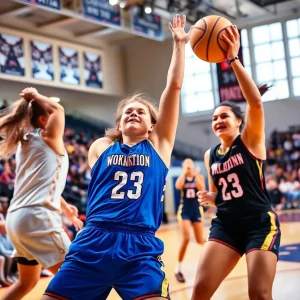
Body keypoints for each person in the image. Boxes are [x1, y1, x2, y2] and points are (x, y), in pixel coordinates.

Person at [42, 14, 190, 300]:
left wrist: (179, 45)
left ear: (152, 126)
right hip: (93, 241)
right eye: (127, 112)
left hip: (139, 246)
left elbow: (173, 88)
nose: (133, 112)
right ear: (119, 124)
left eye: (141, 111)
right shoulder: (100, 147)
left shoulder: (159, 146)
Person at [192, 25, 281, 300]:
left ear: (238, 122)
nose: (218, 121)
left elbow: (255, 101)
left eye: (224, 116)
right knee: (199, 292)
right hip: (226, 224)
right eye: (214, 118)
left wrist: (233, 59)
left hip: (259, 223)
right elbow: (220, 194)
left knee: (259, 295)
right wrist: (211, 197)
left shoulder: (250, 141)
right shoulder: (210, 155)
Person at [0, 87, 83, 300]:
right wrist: (35, 95)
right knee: (79, 279)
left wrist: (65, 208)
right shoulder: (48, 137)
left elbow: (41, 182)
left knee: (26, 282)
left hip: (16, 220)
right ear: (44, 120)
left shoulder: (26, 143)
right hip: (36, 217)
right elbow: (58, 110)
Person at [174, 158, 205, 283]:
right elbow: (178, 186)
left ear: (193, 165)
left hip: (196, 210)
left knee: (199, 240)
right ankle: (178, 269)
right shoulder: (182, 177)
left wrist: (195, 174)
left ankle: (209, 261)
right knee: (186, 238)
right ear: (183, 166)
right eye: (186, 164)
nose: (188, 166)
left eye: (190, 164)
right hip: (185, 210)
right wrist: (184, 172)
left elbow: (201, 187)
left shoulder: (198, 176)